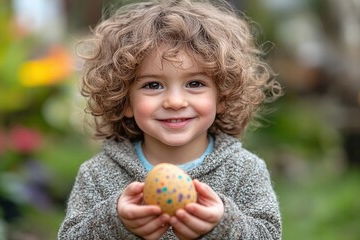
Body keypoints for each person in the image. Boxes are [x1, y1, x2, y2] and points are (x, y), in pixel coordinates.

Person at [58, 0, 282, 239]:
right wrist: (115, 223)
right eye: (153, 85)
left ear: (223, 96)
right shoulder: (98, 174)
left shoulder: (244, 171)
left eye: (195, 84)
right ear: (125, 100)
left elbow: (268, 234)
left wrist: (223, 226)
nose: (175, 101)